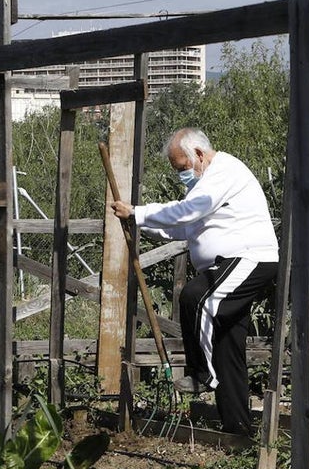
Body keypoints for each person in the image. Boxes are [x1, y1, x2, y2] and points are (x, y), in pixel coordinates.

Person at [111, 127, 278, 436]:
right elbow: (183, 229)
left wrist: (137, 211)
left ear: (199, 154)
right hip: (227, 266)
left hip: (249, 259)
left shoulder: (225, 171)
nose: (182, 176)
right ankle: (237, 428)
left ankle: (201, 375)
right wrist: (137, 223)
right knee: (227, 345)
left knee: (195, 298)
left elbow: (189, 212)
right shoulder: (203, 186)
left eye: (182, 168)